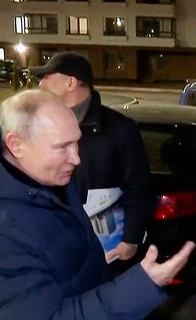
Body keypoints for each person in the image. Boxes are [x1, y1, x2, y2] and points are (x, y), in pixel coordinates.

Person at [0, 89, 195, 319]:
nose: (76, 158)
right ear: (16, 145)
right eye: (62, 147)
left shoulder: (46, 181)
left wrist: (90, 261)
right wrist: (142, 285)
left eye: (77, 143)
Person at [30, 52, 150, 268]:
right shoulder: (40, 128)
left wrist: (131, 239)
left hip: (106, 251)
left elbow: (138, 188)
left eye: (47, 76)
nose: (41, 83)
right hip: (55, 246)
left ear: (71, 82)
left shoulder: (121, 130)